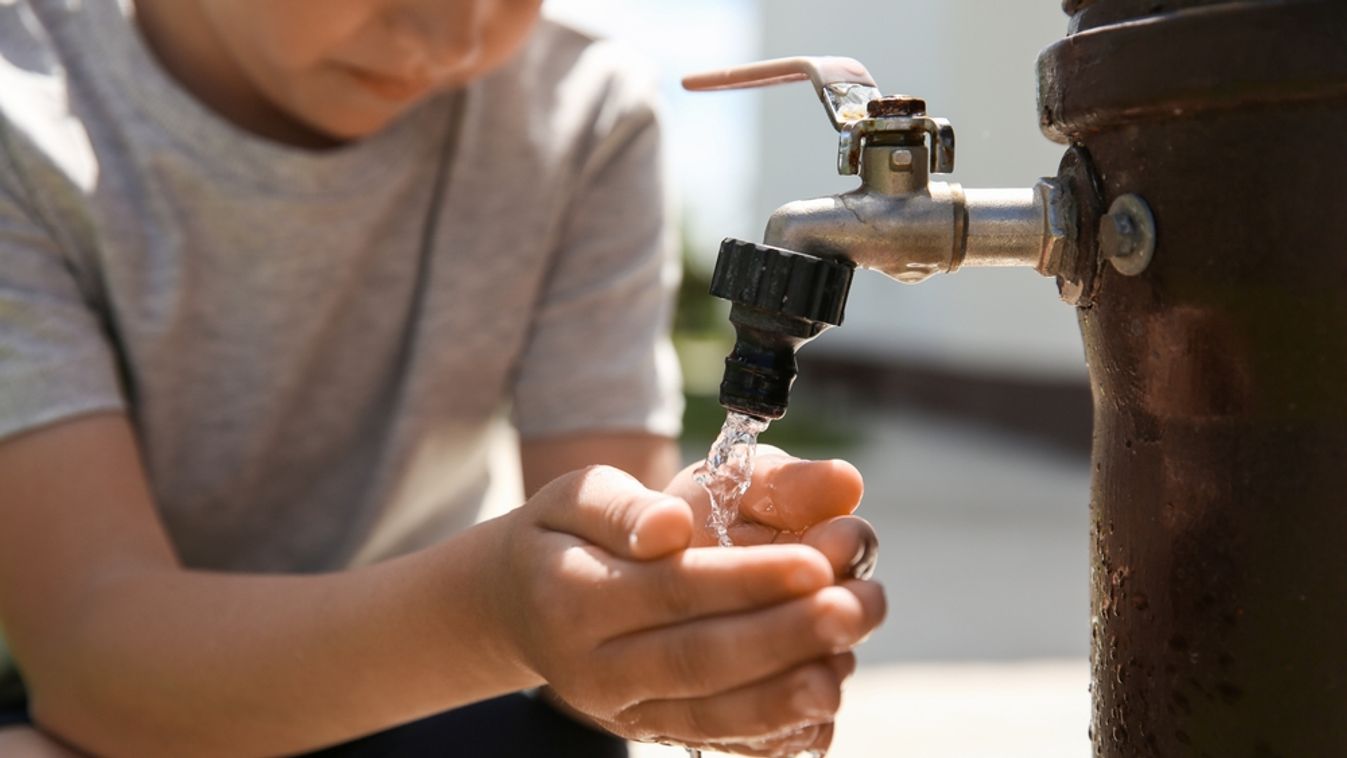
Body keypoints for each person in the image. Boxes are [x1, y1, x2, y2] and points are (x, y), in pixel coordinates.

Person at [0, 1, 886, 755]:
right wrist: (491, 616)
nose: (454, 37)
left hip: (417, 689)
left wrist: (665, 625)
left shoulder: (576, 113)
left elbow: (612, 543)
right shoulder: (25, 114)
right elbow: (89, 664)